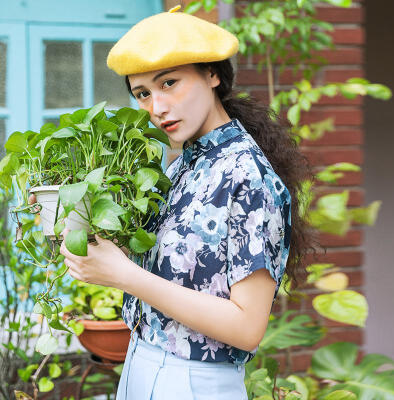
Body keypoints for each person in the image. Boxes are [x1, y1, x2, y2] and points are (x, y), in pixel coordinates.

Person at [29, 5, 315, 400]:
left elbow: (247, 328)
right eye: (143, 94)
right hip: (141, 365)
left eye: (169, 83)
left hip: (196, 382)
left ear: (212, 73)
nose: (156, 108)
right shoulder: (182, 164)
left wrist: (126, 276)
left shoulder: (247, 175)